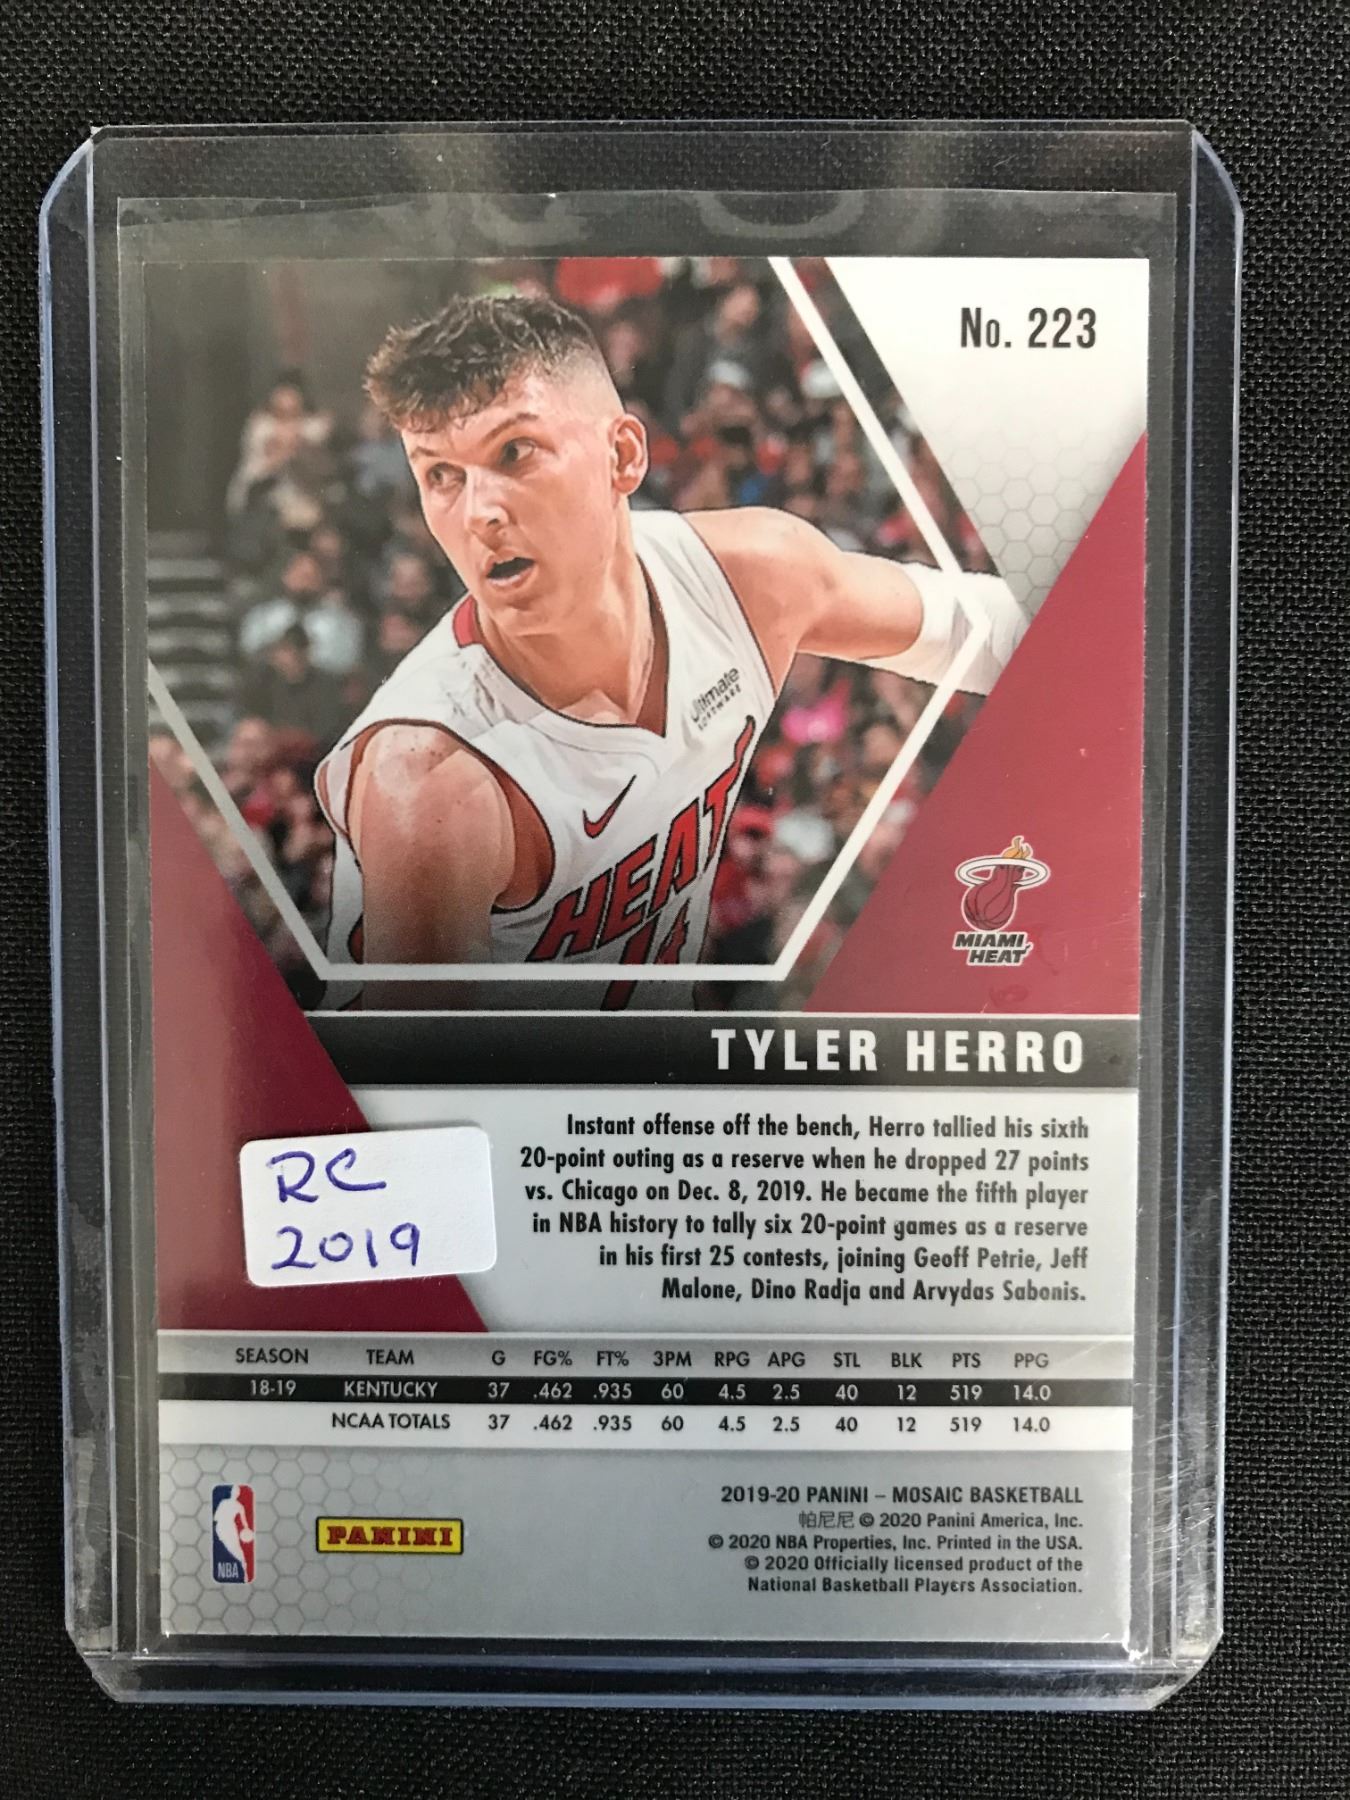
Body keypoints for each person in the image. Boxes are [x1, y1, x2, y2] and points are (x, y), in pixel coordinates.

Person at [315, 293, 1024, 1008]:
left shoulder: (747, 579)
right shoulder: (432, 782)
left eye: (514, 452)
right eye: (441, 475)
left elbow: (992, 629)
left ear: (623, 455)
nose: (479, 513)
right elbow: (427, 1073)